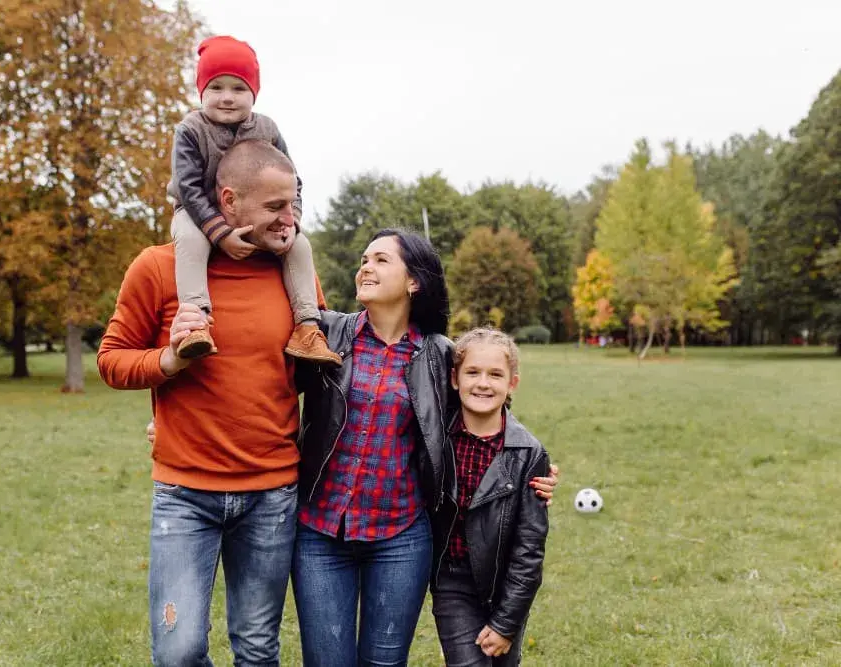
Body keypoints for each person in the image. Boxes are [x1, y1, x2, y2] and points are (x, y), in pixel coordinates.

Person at [291, 230, 559, 667]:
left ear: (414, 281)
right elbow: (265, 390)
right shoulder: (327, 334)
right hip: (322, 533)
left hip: (401, 537)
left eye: (380, 260)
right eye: (364, 259)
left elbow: (482, 416)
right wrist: (176, 421)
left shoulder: (438, 356)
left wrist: (531, 465)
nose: (365, 267)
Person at [99, 139, 319, 666]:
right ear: (227, 200)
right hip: (185, 494)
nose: (288, 218)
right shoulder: (159, 267)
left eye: (292, 204)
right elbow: (111, 361)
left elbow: (312, 374)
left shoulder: (294, 275)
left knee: (259, 646)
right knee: (178, 652)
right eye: (274, 207)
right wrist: (170, 362)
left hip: (271, 494)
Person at [167, 34, 339, 366]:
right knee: (190, 240)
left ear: (254, 93)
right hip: (196, 210)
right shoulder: (190, 129)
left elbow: (293, 180)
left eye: (239, 88)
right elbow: (188, 187)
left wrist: (292, 221)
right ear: (201, 91)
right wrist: (220, 233)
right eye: (216, 88)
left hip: (256, 214)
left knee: (300, 246)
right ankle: (196, 320)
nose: (227, 98)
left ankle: (307, 327)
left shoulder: (267, 129)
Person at [431, 329, 550, 666]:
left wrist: (506, 622)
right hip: (452, 579)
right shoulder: (436, 438)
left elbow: (529, 549)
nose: (483, 383)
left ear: (512, 383)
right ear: (455, 379)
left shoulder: (528, 453)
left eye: (495, 374)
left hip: (506, 584)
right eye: (472, 372)